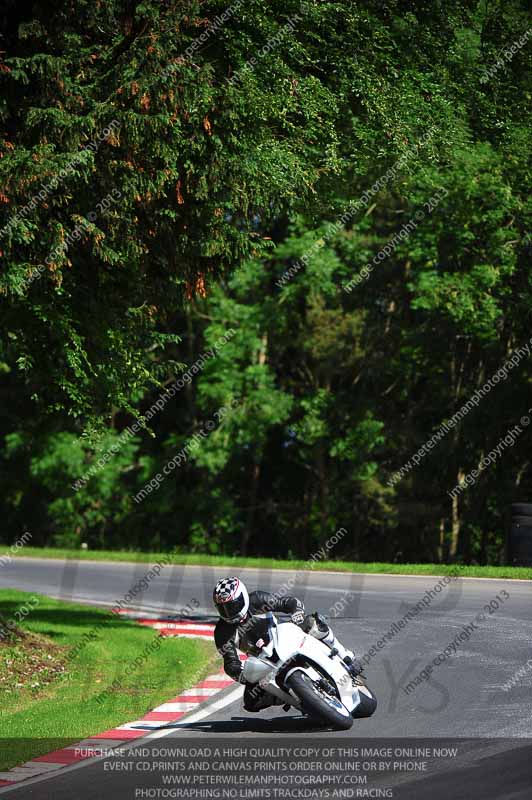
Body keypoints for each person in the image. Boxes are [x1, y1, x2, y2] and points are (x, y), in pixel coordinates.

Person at [213, 576, 362, 712]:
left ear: (243, 597)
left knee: (312, 623)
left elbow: (289, 602)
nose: (229, 612)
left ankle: (344, 654)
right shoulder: (222, 632)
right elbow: (230, 662)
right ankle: (296, 698)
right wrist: (240, 675)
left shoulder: (257, 599)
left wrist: (296, 612)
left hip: (284, 639)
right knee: (251, 701)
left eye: (232, 605)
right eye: (223, 608)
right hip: (264, 662)